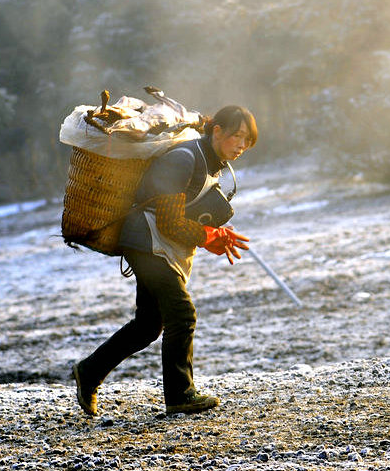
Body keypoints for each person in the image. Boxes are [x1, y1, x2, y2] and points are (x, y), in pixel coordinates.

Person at [72, 105, 257, 416]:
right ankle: (180, 395)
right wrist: (209, 237)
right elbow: (170, 223)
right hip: (145, 241)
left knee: (147, 326)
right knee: (182, 315)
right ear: (217, 131)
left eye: (247, 141)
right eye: (237, 136)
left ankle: (88, 372)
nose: (241, 146)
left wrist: (212, 235)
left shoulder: (211, 164)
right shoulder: (184, 159)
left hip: (151, 243)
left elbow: (179, 219)